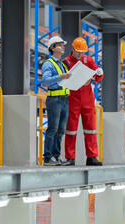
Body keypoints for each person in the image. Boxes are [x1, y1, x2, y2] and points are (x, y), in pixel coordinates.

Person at [63, 37, 104, 166]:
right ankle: (70, 158)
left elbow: (99, 76)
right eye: (78, 51)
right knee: (71, 130)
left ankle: (92, 157)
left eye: (82, 52)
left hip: (87, 98)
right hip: (73, 98)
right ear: (73, 49)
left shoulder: (88, 60)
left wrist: (98, 73)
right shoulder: (66, 62)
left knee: (91, 129)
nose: (80, 54)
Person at [41, 36, 71, 166]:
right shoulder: (48, 64)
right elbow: (46, 81)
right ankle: (48, 158)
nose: (63, 47)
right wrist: (60, 76)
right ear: (52, 48)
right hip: (54, 100)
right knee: (52, 129)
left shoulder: (62, 65)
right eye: (59, 45)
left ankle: (56, 156)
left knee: (60, 131)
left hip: (64, 101)